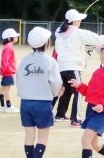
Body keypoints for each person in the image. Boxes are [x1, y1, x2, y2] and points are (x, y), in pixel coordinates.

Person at [69, 40, 104, 158]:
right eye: (102, 52)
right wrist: (80, 86)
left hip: (102, 112)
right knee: (94, 143)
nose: (103, 55)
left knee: (85, 141)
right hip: (91, 109)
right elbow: (91, 92)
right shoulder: (98, 72)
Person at [55, 9, 104, 127]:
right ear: (74, 21)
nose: (80, 22)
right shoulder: (78, 32)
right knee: (78, 91)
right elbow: (98, 40)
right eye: (78, 20)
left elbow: (58, 50)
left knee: (67, 90)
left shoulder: (60, 34)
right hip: (73, 66)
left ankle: (60, 114)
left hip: (61, 66)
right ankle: (76, 118)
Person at [16, 26, 62, 158]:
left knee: (29, 136)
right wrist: (54, 93)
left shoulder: (25, 60)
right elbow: (56, 83)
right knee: (42, 138)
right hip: (42, 103)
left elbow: (18, 79)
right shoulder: (50, 61)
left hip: (25, 103)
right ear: (46, 43)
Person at [0, 28, 20, 113]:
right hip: (7, 71)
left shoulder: (7, 46)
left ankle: (2, 106)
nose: (16, 38)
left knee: (3, 88)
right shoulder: (9, 47)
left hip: (6, 71)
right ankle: (8, 106)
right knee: (7, 89)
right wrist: (3, 71)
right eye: (14, 36)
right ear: (9, 38)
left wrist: (2, 71)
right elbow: (5, 60)